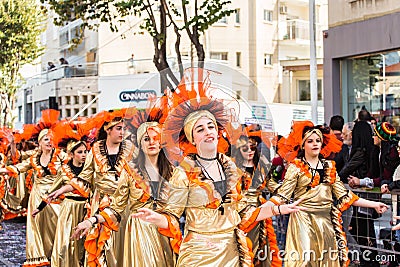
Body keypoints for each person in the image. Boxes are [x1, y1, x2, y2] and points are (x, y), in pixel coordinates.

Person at [131, 68, 305, 266]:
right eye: (200, 129)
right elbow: (172, 217)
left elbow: (242, 213)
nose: (208, 132)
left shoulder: (232, 169)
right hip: (199, 253)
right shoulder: (183, 173)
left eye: (211, 126)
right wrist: (156, 218)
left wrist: (278, 209)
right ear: (192, 138)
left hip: (231, 252)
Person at [268, 121, 388, 267]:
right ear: (303, 144)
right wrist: (259, 212)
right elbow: (281, 196)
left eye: (318, 140)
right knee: (305, 261)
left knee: (328, 262)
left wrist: (374, 204)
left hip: (325, 224)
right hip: (302, 223)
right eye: (310, 141)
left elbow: (346, 196)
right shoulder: (296, 168)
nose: (315, 144)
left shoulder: (329, 167)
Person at [72, 109, 176, 267]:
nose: (152, 142)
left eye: (156, 138)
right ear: (139, 144)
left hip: (166, 235)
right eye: (146, 139)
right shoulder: (129, 173)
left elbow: (186, 209)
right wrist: (92, 220)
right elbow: (116, 208)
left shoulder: (176, 174)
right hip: (139, 234)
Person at [48, 109, 134, 267]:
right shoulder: (95, 150)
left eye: (124, 128)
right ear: (108, 130)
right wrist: (61, 190)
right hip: (100, 204)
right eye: (118, 128)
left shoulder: (130, 149)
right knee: (100, 247)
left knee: (123, 247)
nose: (122, 132)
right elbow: (84, 179)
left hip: (124, 205)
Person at [0, 110, 67, 267]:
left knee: (57, 226)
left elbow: (73, 169)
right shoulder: (34, 157)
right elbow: (18, 167)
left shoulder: (61, 156)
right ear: (40, 142)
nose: (49, 142)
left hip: (56, 197)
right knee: (38, 227)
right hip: (37, 197)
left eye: (51, 139)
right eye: (45, 139)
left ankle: (57, 255)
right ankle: (40, 255)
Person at [32, 121, 90, 267]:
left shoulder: (91, 169)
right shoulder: (63, 170)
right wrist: (39, 208)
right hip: (68, 210)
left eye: (85, 151)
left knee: (85, 246)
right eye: (80, 152)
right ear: (71, 154)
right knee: (65, 244)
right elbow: (53, 191)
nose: (84, 155)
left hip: (86, 209)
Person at [232, 135, 280, 267]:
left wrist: (286, 189)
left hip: (260, 212)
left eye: (252, 148)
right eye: (245, 149)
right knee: (244, 246)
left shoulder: (261, 167)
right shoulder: (234, 169)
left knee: (262, 246)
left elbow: (272, 185)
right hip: (241, 213)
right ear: (239, 150)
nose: (249, 151)